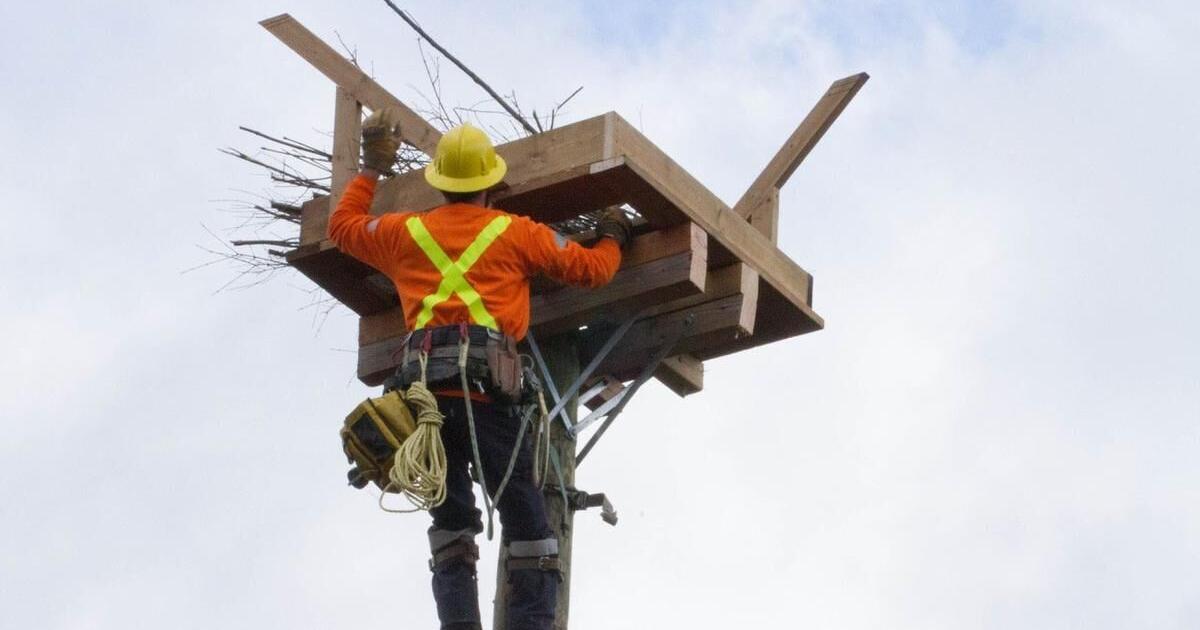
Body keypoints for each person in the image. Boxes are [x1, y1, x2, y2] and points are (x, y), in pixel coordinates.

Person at [328, 110, 632, 630]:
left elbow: (343, 228)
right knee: (531, 527)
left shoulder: (405, 234)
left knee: (451, 524)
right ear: (492, 185)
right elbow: (594, 270)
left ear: (441, 186)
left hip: (422, 406)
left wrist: (371, 167)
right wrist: (612, 234)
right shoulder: (516, 234)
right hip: (489, 402)